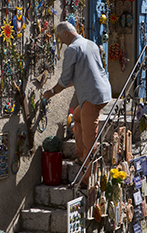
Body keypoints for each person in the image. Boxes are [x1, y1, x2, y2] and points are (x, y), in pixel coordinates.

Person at [43, 21, 112, 188]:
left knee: (91, 141)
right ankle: (81, 155)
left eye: (60, 38)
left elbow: (65, 79)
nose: (61, 42)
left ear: (66, 33)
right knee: (77, 116)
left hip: (91, 98)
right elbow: (88, 72)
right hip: (104, 92)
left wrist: (51, 92)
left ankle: (87, 179)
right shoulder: (91, 44)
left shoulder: (72, 49)